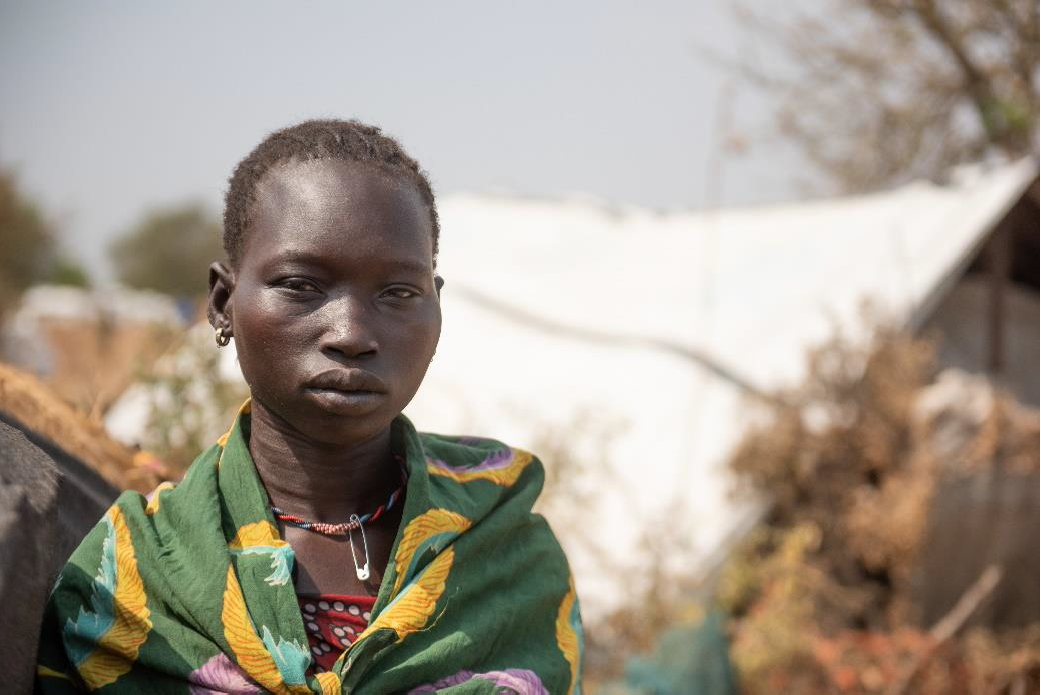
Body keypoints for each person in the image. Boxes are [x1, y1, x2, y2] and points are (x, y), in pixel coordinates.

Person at [36, 120, 583, 693]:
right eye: (302, 285)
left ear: (435, 306)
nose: (351, 334)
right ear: (223, 302)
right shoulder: (131, 573)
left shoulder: (505, 550)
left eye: (398, 294)